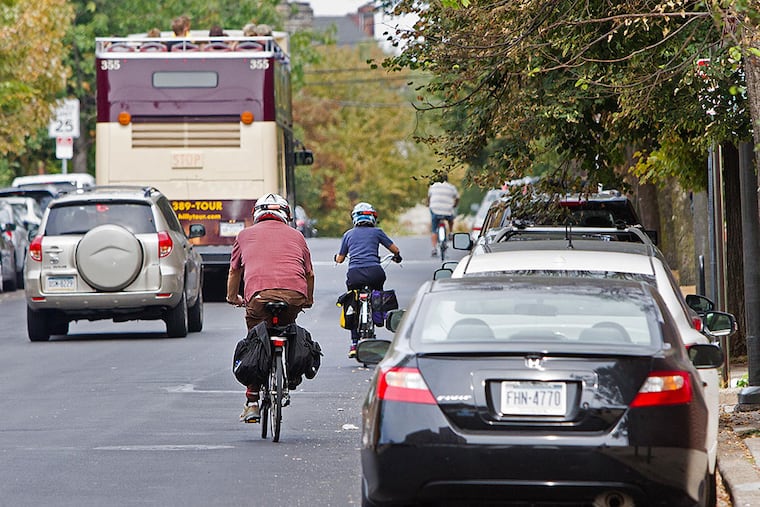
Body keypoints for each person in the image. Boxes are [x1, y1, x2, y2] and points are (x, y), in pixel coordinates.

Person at [226, 193, 315, 423]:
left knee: (256, 339)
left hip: (259, 297)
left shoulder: (244, 235)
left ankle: (252, 400)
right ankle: (290, 376)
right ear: (285, 214)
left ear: (257, 213)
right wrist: (308, 299)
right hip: (293, 296)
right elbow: (309, 273)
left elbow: (235, 271)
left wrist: (232, 296)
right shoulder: (297, 236)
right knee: (287, 325)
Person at [334, 202, 401, 358]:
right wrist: (397, 257)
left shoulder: (348, 235)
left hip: (355, 275)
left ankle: (354, 343)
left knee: (352, 300)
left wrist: (337, 258)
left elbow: (340, 258)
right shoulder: (377, 232)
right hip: (374, 272)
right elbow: (395, 250)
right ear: (373, 218)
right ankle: (380, 314)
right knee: (378, 288)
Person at [426, 174, 459, 257]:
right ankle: (451, 232)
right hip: (447, 210)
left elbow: (429, 198)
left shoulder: (433, 186)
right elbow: (457, 198)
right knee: (451, 219)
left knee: (434, 229)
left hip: (435, 209)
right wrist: (455, 205)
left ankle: (434, 248)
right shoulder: (451, 187)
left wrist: (428, 204)